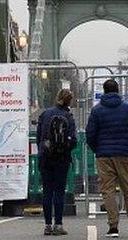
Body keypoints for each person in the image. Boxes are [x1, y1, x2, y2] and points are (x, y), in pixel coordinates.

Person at [86, 78, 128, 237]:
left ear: (104, 91)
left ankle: (113, 227)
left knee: (108, 191)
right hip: (124, 155)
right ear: (117, 90)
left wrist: (98, 149)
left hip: (104, 156)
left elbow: (90, 134)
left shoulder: (97, 110)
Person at [36, 88, 78, 236]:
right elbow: (74, 141)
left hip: (45, 157)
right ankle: (58, 225)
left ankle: (47, 225)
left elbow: (39, 137)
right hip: (62, 158)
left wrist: (43, 151)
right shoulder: (69, 117)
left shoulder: (45, 114)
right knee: (59, 191)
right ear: (69, 101)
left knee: (47, 191)